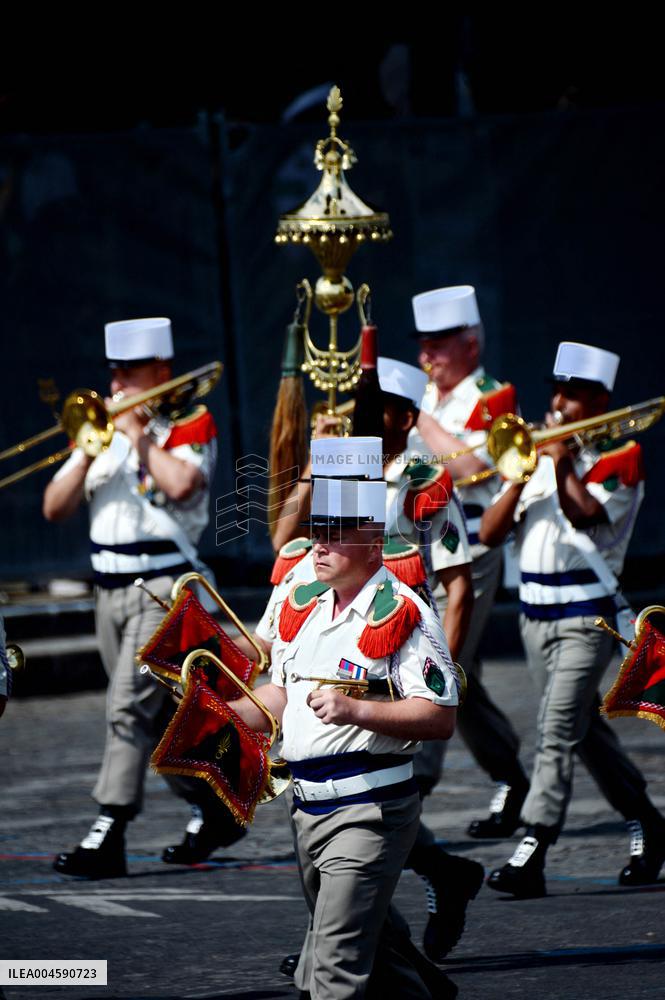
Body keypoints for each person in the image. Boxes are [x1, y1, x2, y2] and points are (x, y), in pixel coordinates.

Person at [232, 459, 461, 999]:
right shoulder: (306, 605)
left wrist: (357, 710)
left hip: (369, 812)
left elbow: (440, 716)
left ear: (375, 541)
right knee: (379, 962)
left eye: (336, 535)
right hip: (306, 810)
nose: (319, 545)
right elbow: (282, 695)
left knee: (327, 974)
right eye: (316, 532)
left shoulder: (400, 612)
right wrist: (215, 708)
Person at [43, 316, 240, 878]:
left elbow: (182, 486)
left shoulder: (189, 424)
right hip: (108, 592)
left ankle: (109, 829)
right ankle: (213, 806)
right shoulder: (99, 433)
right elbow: (54, 507)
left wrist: (136, 434)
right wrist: (85, 448)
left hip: (164, 590)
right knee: (155, 723)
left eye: (133, 371)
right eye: (116, 372)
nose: (122, 382)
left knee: (126, 708)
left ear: (161, 370)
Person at [480, 341, 665, 897]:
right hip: (535, 619)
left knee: (555, 728)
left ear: (600, 400)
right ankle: (651, 824)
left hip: (587, 619)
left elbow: (587, 518)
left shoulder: (621, 458)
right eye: (557, 391)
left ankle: (534, 845)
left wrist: (560, 464)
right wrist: (519, 472)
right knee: (582, 734)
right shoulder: (533, 457)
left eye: (574, 395)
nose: (559, 402)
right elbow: (489, 534)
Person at [408, 284, 530, 837]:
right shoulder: (423, 394)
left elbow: (474, 467)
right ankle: (511, 776)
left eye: (439, 344)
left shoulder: (492, 397)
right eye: (423, 344)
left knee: (438, 654)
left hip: (472, 546)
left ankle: (413, 784)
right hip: (418, 542)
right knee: (466, 675)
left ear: (471, 345)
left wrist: (418, 420)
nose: (427, 355)